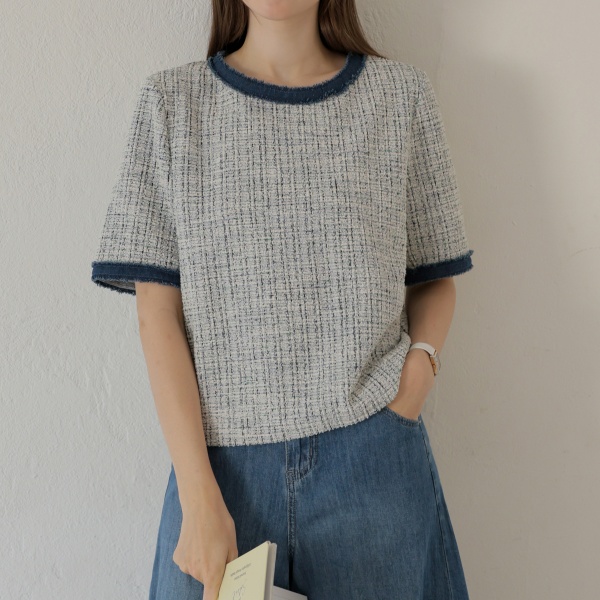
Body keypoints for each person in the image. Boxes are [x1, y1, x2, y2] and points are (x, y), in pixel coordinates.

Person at [91, 1, 475, 598]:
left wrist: (416, 378)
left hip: (372, 457)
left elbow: (433, 273)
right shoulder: (172, 104)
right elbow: (156, 313)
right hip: (221, 473)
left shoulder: (399, 98)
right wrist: (198, 493)